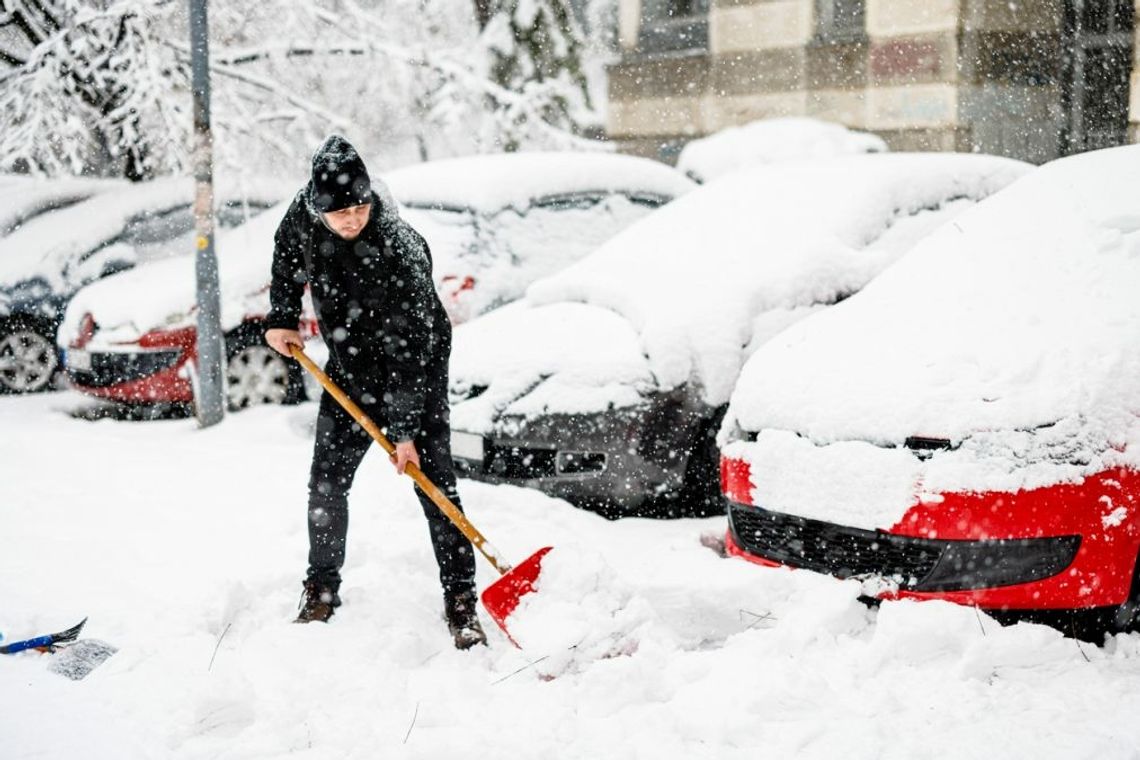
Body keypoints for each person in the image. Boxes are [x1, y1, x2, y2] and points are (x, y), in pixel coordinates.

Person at [263, 135, 486, 649]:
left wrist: (404, 431)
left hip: (416, 374)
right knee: (326, 484)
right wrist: (281, 316)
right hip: (348, 368)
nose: (350, 219)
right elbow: (285, 257)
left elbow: (411, 350)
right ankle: (320, 588)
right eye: (338, 213)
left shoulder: (400, 247)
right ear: (317, 207)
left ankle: (460, 600)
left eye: (359, 207)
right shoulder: (304, 216)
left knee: (436, 490)